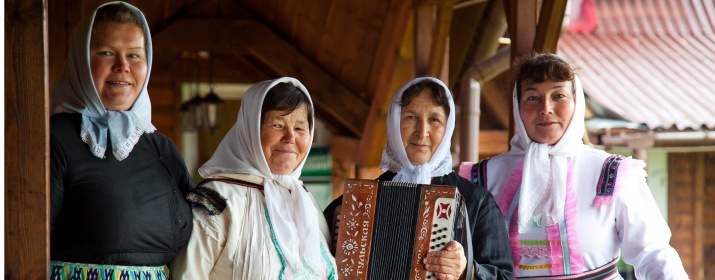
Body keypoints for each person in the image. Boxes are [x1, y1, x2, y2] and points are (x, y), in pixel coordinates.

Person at [459, 53, 688, 279]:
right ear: (517, 106)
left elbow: (652, 253)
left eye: (558, 95)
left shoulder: (611, 173)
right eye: (532, 97)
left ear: (577, 103)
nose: (545, 108)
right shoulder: (485, 177)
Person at [49, 2, 194, 279]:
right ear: (81, 61)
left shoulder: (159, 147)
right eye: (106, 53)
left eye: (134, 55)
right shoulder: (55, 140)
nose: (122, 66)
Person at [324, 77, 514, 280]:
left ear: (448, 128)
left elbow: (504, 276)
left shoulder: (477, 203)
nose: (422, 132)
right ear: (394, 123)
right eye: (411, 117)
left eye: (434, 120)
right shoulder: (353, 203)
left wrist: (469, 271)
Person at [170, 77, 337, 279]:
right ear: (250, 129)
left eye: (300, 128)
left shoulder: (305, 203)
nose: (290, 137)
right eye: (277, 124)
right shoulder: (218, 202)